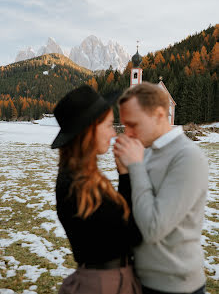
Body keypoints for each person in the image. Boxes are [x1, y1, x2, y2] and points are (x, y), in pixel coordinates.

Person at [114, 82, 208, 294]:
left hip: (174, 286)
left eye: (133, 124)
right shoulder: (145, 151)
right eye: (124, 124)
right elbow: (132, 214)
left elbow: (153, 228)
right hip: (137, 280)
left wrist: (135, 167)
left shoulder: (188, 157)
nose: (127, 133)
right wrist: (124, 174)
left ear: (158, 115)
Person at [51, 85, 142, 294]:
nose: (113, 133)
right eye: (109, 125)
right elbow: (131, 235)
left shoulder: (78, 176)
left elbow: (118, 223)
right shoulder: (77, 186)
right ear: (90, 129)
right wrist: (132, 173)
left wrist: (124, 175)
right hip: (105, 285)